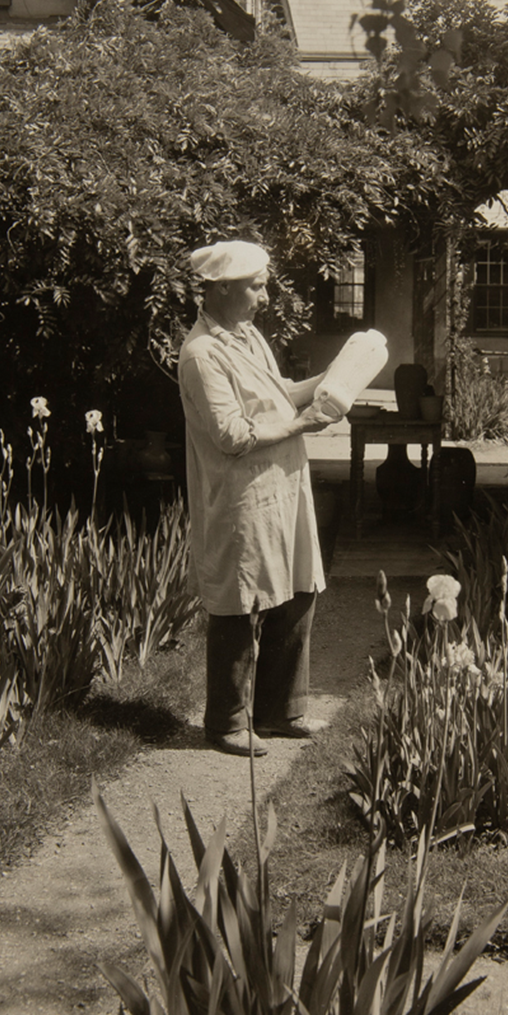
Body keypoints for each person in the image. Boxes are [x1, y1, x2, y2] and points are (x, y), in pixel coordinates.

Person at [178, 240, 340, 756]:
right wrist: (304, 423)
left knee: (298, 588)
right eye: (257, 285)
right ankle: (226, 723)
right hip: (241, 497)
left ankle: (281, 711)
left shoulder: (247, 339)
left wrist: (333, 381)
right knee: (242, 600)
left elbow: (278, 394)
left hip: (283, 485)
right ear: (222, 287)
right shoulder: (202, 354)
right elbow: (231, 435)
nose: (265, 296)